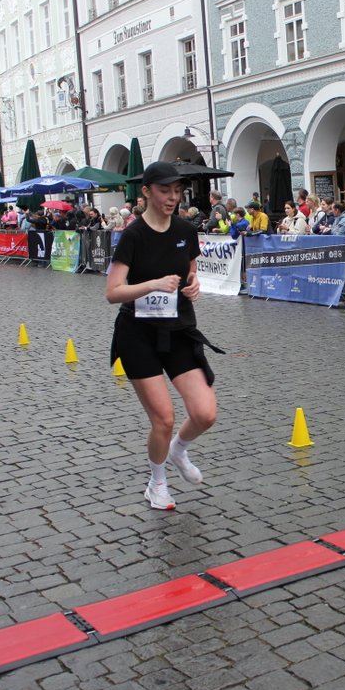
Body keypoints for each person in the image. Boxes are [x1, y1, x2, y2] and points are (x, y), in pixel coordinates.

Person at [105, 161, 222, 511]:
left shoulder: (185, 229)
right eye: (164, 190)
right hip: (137, 334)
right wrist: (152, 284)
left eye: (176, 191)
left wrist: (194, 285)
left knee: (205, 413)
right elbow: (113, 292)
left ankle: (178, 450)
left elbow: (190, 270)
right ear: (146, 192)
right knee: (164, 418)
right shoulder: (134, 235)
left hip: (178, 328)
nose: (172, 197)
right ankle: (157, 484)